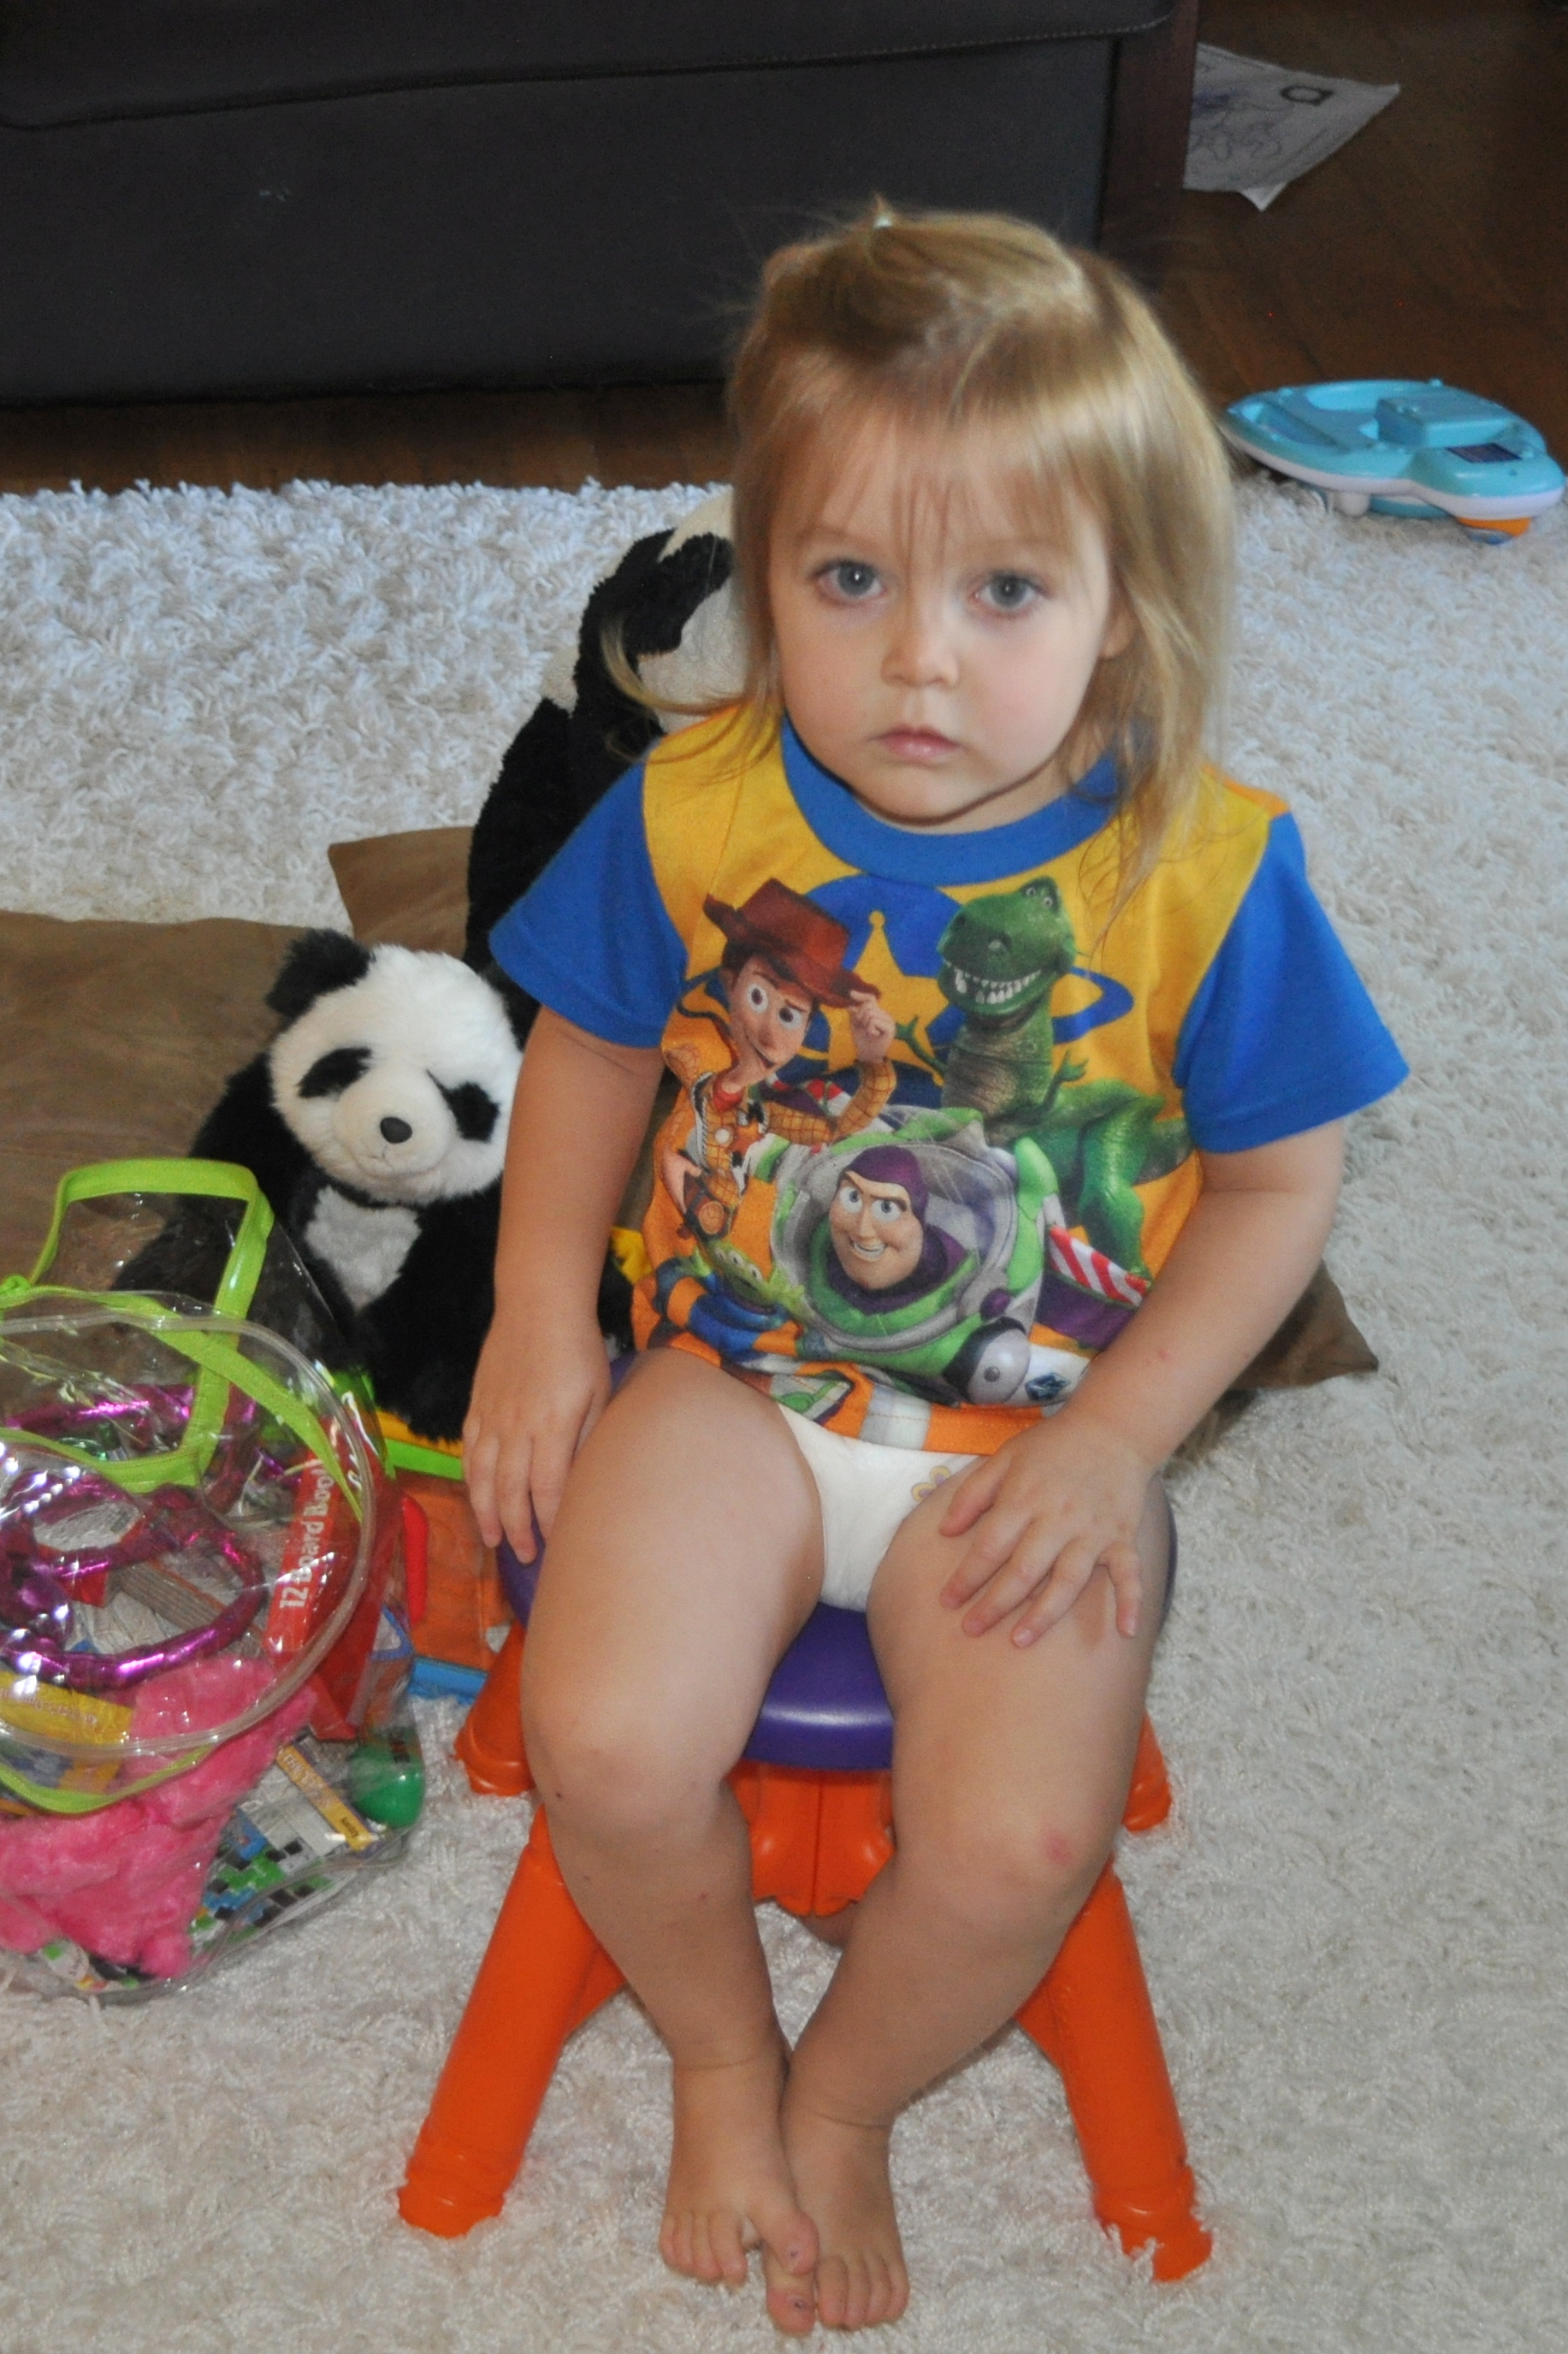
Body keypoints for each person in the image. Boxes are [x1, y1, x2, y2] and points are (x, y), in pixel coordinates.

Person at [467, 207, 1405, 2333]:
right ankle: (723, 2054)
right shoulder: (691, 803)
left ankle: (852, 2091)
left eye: (1000, 591)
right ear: (759, 570)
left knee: (1009, 1850)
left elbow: (1279, 1188)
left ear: (1121, 606)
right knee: (602, 1741)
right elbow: (591, 1048)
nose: (914, 659)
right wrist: (536, 1314)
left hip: (1035, 1434)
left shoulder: (1208, 868)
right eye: (846, 579)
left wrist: (1118, 1440)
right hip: (732, 1378)